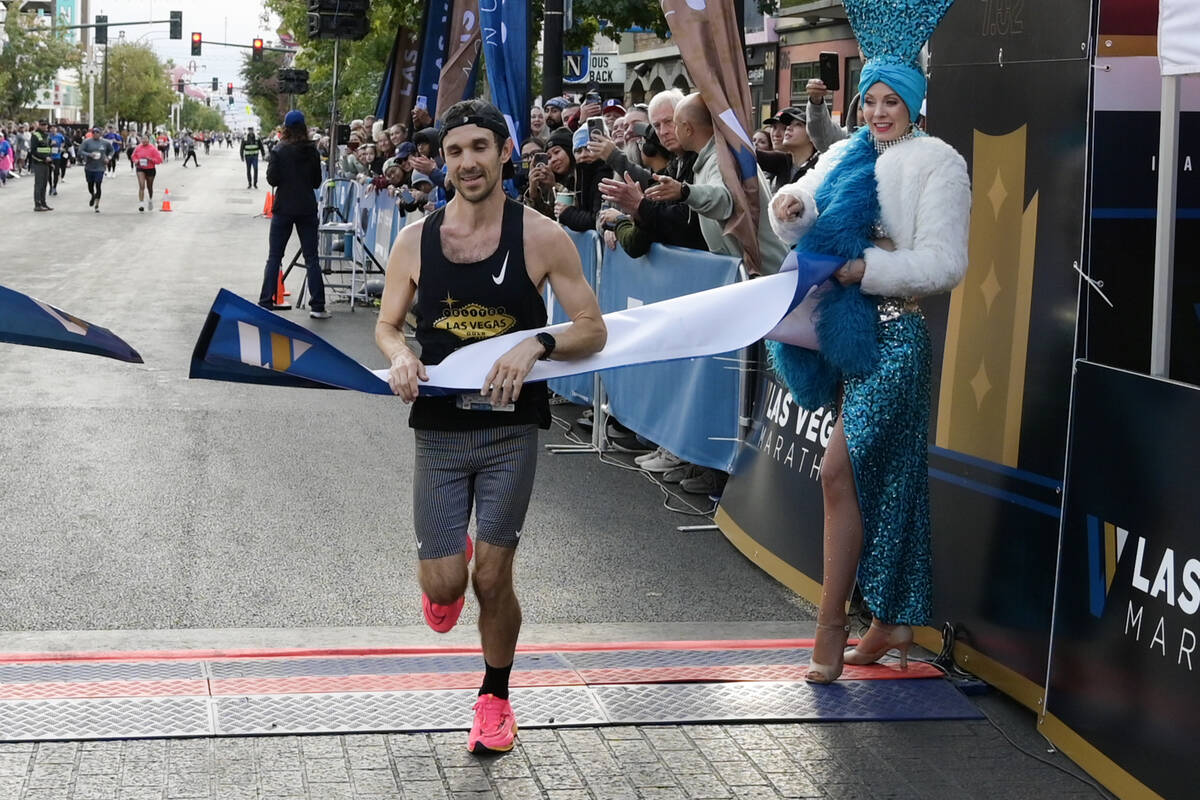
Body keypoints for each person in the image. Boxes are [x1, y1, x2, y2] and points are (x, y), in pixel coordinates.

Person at [374, 98, 605, 755]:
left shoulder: (541, 236)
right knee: (446, 586)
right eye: (455, 152)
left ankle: (495, 698)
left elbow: (591, 327)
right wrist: (400, 357)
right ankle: (449, 568)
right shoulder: (414, 240)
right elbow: (388, 324)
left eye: (480, 148)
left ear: (505, 151)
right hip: (440, 432)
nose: (468, 162)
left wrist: (537, 344)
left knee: (493, 581)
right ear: (442, 161)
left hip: (511, 432)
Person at [766, 0, 968, 684]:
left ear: (914, 105)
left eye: (893, 101)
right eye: (870, 101)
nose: (880, 112)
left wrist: (869, 268)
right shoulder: (844, 156)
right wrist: (789, 209)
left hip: (898, 338)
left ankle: (830, 626)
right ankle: (891, 621)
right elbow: (801, 215)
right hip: (848, 339)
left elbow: (946, 265)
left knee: (836, 473)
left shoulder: (937, 164)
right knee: (889, 480)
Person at [646, 93, 787, 274]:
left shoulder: (722, 159)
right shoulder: (712, 157)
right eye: (657, 125)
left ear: (688, 129)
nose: (666, 131)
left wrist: (684, 192)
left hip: (765, 276)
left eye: (673, 123)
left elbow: (723, 200)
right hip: (751, 275)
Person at [257, 110, 328, 319]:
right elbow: (316, 182)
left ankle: (265, 302)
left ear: (286, 128)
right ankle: (318, 305)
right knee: (311, 257)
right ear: (304, 127)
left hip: (284, 208)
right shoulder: (312, 151)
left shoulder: (279, 150)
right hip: (306, 208)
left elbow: (272, 179)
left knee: (275, 257)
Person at [79, 126, 114, 213]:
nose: (95, 134)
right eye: (94, 133)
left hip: (100, 167)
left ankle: (97, 205)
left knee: (98, 185)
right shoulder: (87, 142)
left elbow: (112, 150)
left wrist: (108, 158)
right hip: (89, 167)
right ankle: (92, 195)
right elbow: (80, 151)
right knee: (90, 185)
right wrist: (88, 154)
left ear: (100, 133)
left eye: (97, 133)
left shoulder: (105, 143)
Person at [131, 135, 164, 212]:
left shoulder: (152, 148)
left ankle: (150, 199)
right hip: (140, 168)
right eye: (143, 139)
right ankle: (141, 204)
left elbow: (159, 160)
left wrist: (151, 159)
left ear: (149, 140)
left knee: (149, 187)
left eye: (146, 139)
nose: (144, 141)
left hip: (150, 169)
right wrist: (136, 161)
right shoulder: (138, 147)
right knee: (141, 185)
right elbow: (133, 156)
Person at [28, 119, 52, 212]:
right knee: (39, 184)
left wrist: (50, 157)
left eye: (46, 125)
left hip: (46, 163)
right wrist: (44, 158)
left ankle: (43, 203)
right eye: (42, 125)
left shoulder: (47, 135)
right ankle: (37, 204)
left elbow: (48, 148)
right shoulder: (35, 135)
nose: (45, 126)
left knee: (45, 184)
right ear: (39, 125)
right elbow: (33, 151)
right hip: (39, 163)